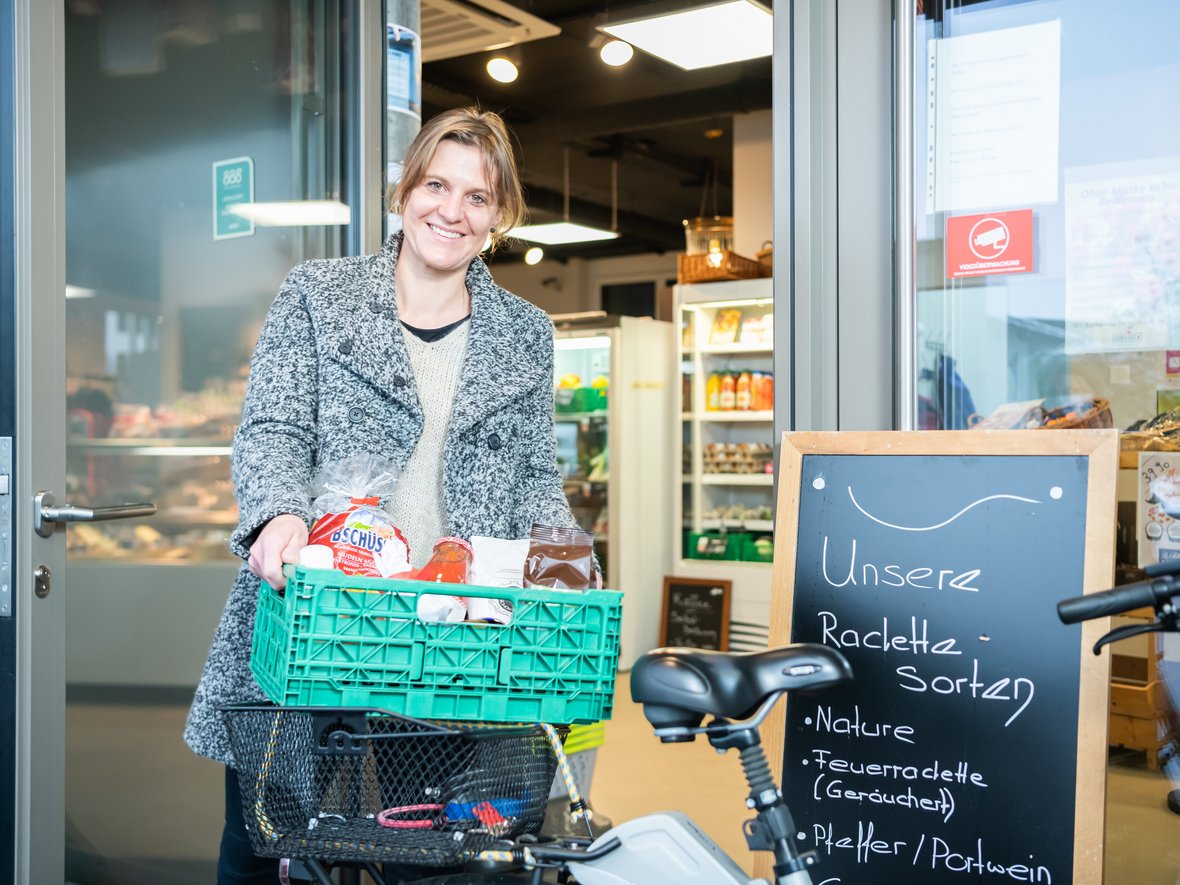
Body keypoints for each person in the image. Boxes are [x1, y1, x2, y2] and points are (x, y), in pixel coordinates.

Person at [184, 106, 585, 883]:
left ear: (498, 217)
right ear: (405, 191)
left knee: (435, 855)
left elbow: (536, 470)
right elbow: (272, 428)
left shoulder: (524, 330)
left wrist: (566, 556)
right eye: (437, 183)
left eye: (478, 196)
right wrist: (280, 514)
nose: (452, 209)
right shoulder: (318, 294)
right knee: (268, 843)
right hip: (317, 615)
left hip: (453, 635)